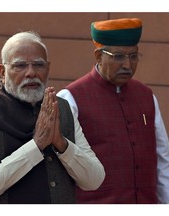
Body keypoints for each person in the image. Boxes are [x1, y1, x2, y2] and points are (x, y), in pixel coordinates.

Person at [0, 31, 105, 204]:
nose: (31, 73)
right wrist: (36, 146)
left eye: (38, 65)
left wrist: (61, 144)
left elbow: (95, 179)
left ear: (48, 68)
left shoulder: (61, 108)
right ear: (2, 71)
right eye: (20, 66)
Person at [57, 18, 169, 204]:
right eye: (118, 56)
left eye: (133, 56)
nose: (127, 64)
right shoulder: (70, 98)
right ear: (98, 56)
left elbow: (163, 160)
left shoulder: (146, 96)